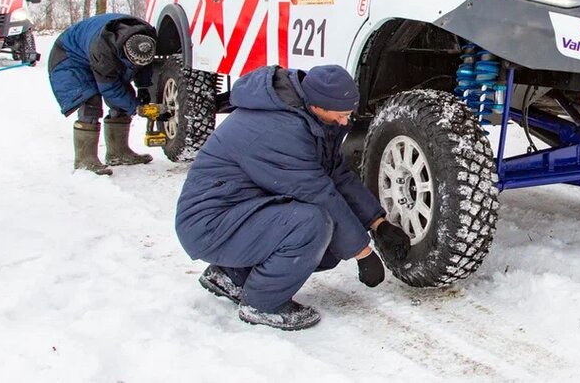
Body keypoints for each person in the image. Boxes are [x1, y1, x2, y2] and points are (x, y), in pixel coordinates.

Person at [175, 64, 411, 331]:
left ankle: (231, 275)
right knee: (312, 225)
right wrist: (362, 253)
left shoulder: (310, 116)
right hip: (210, 223)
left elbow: (337, 175)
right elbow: (319, 193)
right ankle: (263, 304)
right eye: (342, 114)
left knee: (329, 240)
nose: (346, 122)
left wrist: (378, 223)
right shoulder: (279, 130)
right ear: (319, 105)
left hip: (241, 212)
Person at [47, 13, 159, 175]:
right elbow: (110, 88)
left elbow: (144, 68)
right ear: (125, 53)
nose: (136, 65)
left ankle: (118, 153)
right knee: (90, 101)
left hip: (96, 51)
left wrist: (143, 89)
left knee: (124, 96)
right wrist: (136, 108)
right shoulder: (104, 50)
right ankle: (85, 160)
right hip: (70, 57)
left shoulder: (145, 40)